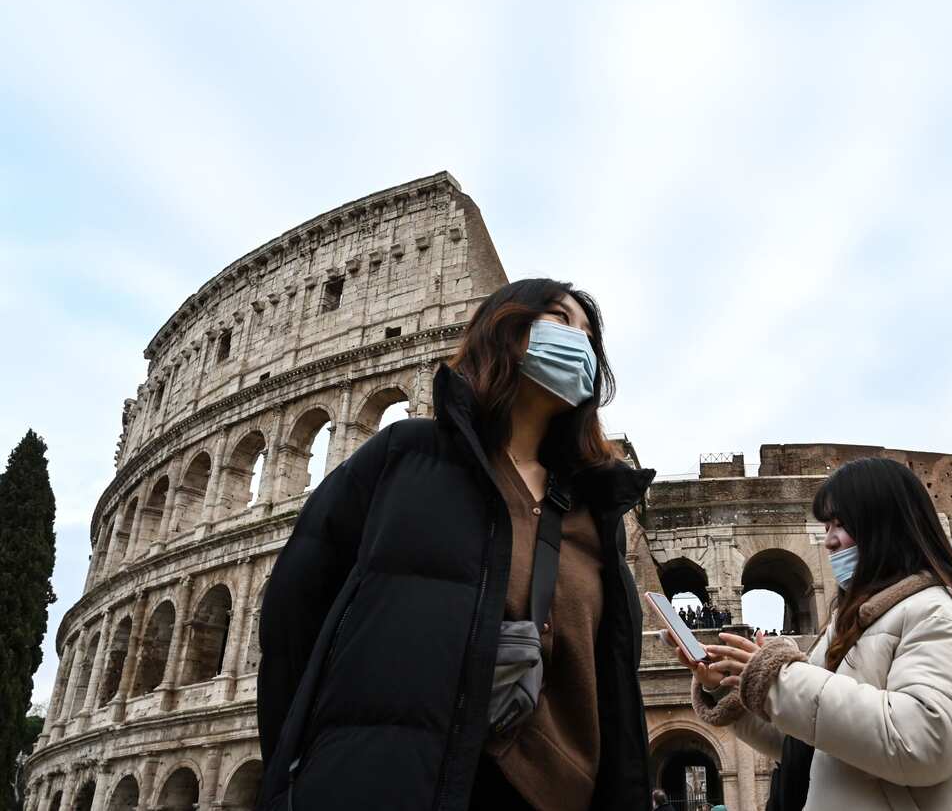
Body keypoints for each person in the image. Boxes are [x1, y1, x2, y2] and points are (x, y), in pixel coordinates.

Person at [255, 279, 657, 811]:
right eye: (560, 320)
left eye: (590, 336)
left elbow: (610, 684)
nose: (578, 342)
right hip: (397, 780)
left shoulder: (595, 513)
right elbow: (293, 618)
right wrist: (308, 773)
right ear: (505, 326)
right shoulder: (404, 456)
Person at [662, 457, 952, 810]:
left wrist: (777, 677)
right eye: (826, 526)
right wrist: (729, 688)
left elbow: (924, 742)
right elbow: (805, 743)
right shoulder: (850, 629)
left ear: (885, 525)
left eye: (840, 524)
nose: (829, 540)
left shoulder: (946, 613)